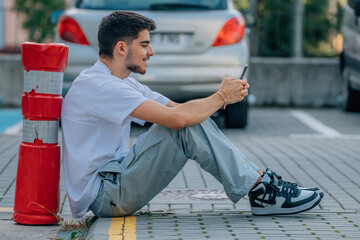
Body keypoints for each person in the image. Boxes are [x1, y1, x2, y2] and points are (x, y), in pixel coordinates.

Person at [61, 11, 323, 219]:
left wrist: (220, 95)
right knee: (183, 125)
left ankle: (260, 186)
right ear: (121, 48)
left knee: (189, 120)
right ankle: (262, 190)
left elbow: (176, 108)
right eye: (144, 45)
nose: (150, 52)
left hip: (116, 180)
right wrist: (221, 98)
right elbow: (178, 120)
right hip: (107, 194)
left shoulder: (119, 82)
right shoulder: (100, 86)